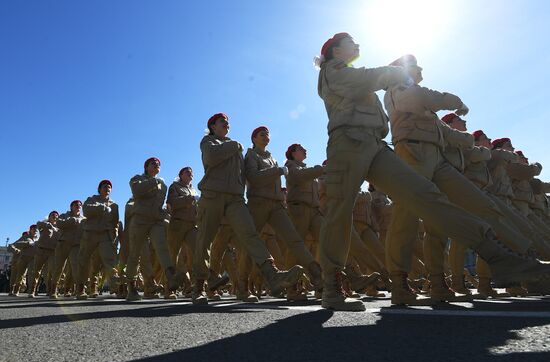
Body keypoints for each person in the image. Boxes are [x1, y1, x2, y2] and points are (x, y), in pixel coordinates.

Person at [316, 32, 550, 310]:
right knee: (340, 210)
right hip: (348, 142)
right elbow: (365, 79)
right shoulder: (333, 71)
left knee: (426, 196)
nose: (357, 44)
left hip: (375, 145)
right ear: (336, 51)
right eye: (351, 42)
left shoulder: (355, 74)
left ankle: (498, 255)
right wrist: (395, 72)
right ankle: (331, 285)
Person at [192, 113, 303, 305]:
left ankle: (272, 274)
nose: (227, 125)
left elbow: (244, 174)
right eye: (222, 122)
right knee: (204, 241)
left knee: (250, 234)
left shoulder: (235, 148)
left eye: (228, 123)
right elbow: (211, 158)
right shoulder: (208, 142)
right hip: (213, 195)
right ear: (212, 126)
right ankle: (199, 287)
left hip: (235, 198)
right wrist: (234, 145)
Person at [245, 126, 323, 300]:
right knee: (250, 242)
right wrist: (277, 171)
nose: (266, 136)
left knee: (294, 240)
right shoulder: (251, 155)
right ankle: (243, 287)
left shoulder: (271, 157)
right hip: (258, 202)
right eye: (261, 134)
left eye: (267, 134)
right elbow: (254, 178)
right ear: (254, 138)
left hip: (276, 205)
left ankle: (317, 275)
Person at [126, 158, 183, 301]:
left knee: (162, 248)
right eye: (153, 164)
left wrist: (165, 214)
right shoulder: (137, 179)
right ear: (146, 166)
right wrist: (154, 181)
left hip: (155, 221)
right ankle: (131, 287)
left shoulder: (163, 185)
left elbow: (158, 205)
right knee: (135, 254)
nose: (157, 165)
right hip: (139, 220)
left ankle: (171, 278)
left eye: (159, 164)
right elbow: (137, 192)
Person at [75, 180, 120, 299]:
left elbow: (115, 223)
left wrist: (114, 238)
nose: (107, 188)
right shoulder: (91, 200)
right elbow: (87, 210)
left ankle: (117, 286)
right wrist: (102, 208)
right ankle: (81, 288)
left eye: (109, 187)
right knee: (84, 261)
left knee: (110, 262)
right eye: (105, 186)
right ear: (99, 189)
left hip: (105, 236)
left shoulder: (114, 205)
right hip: (90, 234)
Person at [166, 166, 199, 299]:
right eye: (187, 172)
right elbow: (171, 203)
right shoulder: (175, 187)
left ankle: (199, 286)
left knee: (199, 251)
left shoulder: (193, 189)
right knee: (172, 256)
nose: (191, 174)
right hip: (178, 225)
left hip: (192, 225)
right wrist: (189, 199)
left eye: (192, 172)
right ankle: (169, 289)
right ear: (180, 175)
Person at [51, 200, 84, 298]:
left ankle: (80, 290)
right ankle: (53, 289)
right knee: (59, 267)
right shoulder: (64, 216)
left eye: (79, 205)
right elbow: (58, 224)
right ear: (71, 207)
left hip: (76, 245)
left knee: (77, 267)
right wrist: (73, 220)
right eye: (75, 205)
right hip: (63, 244)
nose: (78, 206)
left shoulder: (83, 218)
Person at [28, 211, 59, 297]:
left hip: (53, 251)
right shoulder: (44, 224)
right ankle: (32, 290)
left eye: (56, 216)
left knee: (53, 271)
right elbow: (38, 224)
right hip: (41, 251)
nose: (55, 217)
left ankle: (52, 290)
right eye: (53, 215)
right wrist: (48, 224)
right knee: (36, 271)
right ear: (49, 217)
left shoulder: (59, 226)